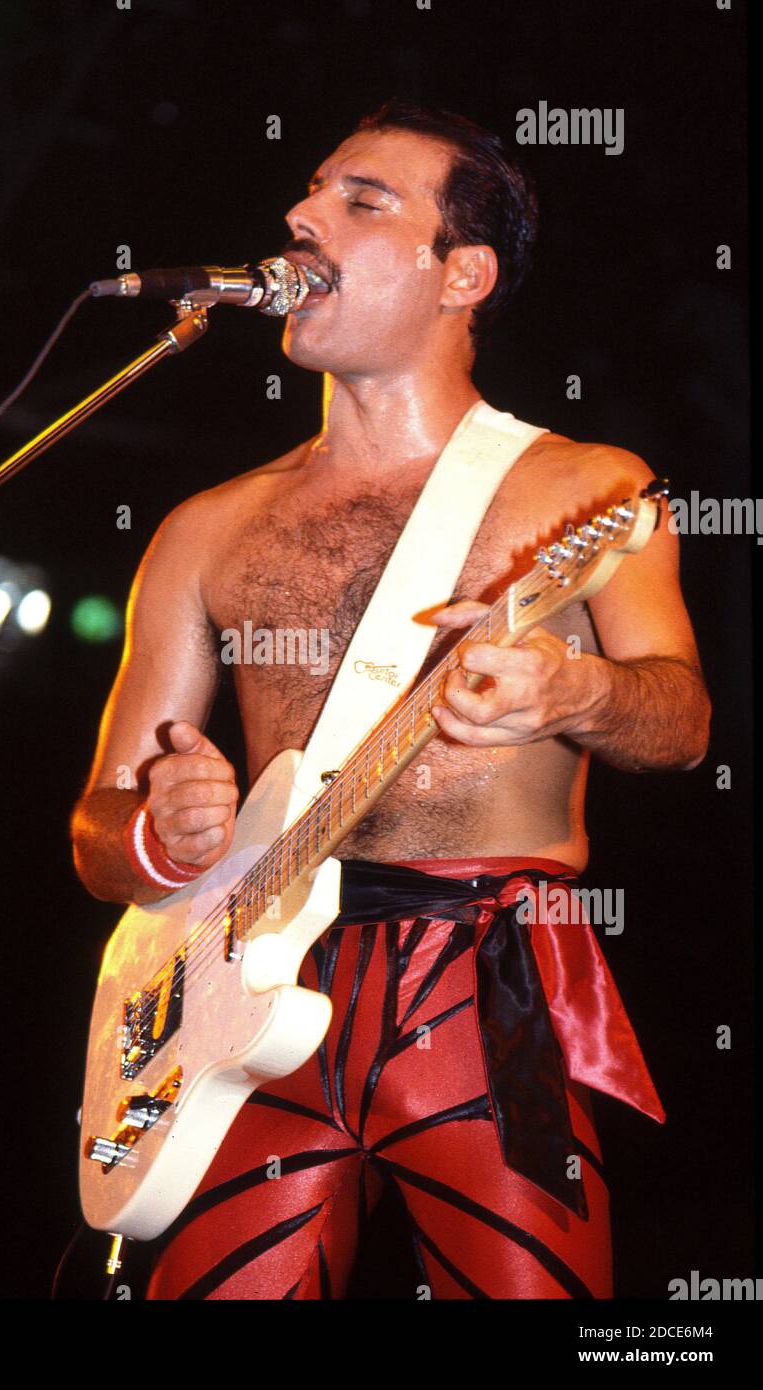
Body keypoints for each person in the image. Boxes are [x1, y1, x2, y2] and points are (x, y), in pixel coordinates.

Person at [70, 102, 711, 1300]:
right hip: (241, 993)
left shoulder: (586, 490)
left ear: (462, 274)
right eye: (311, 193)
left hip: (475, 971)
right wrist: (162, 826)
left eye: (364, 201)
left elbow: (682, 726)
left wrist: (575, 689)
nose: (303, 218)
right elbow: (100, 831)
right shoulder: (203, 528)